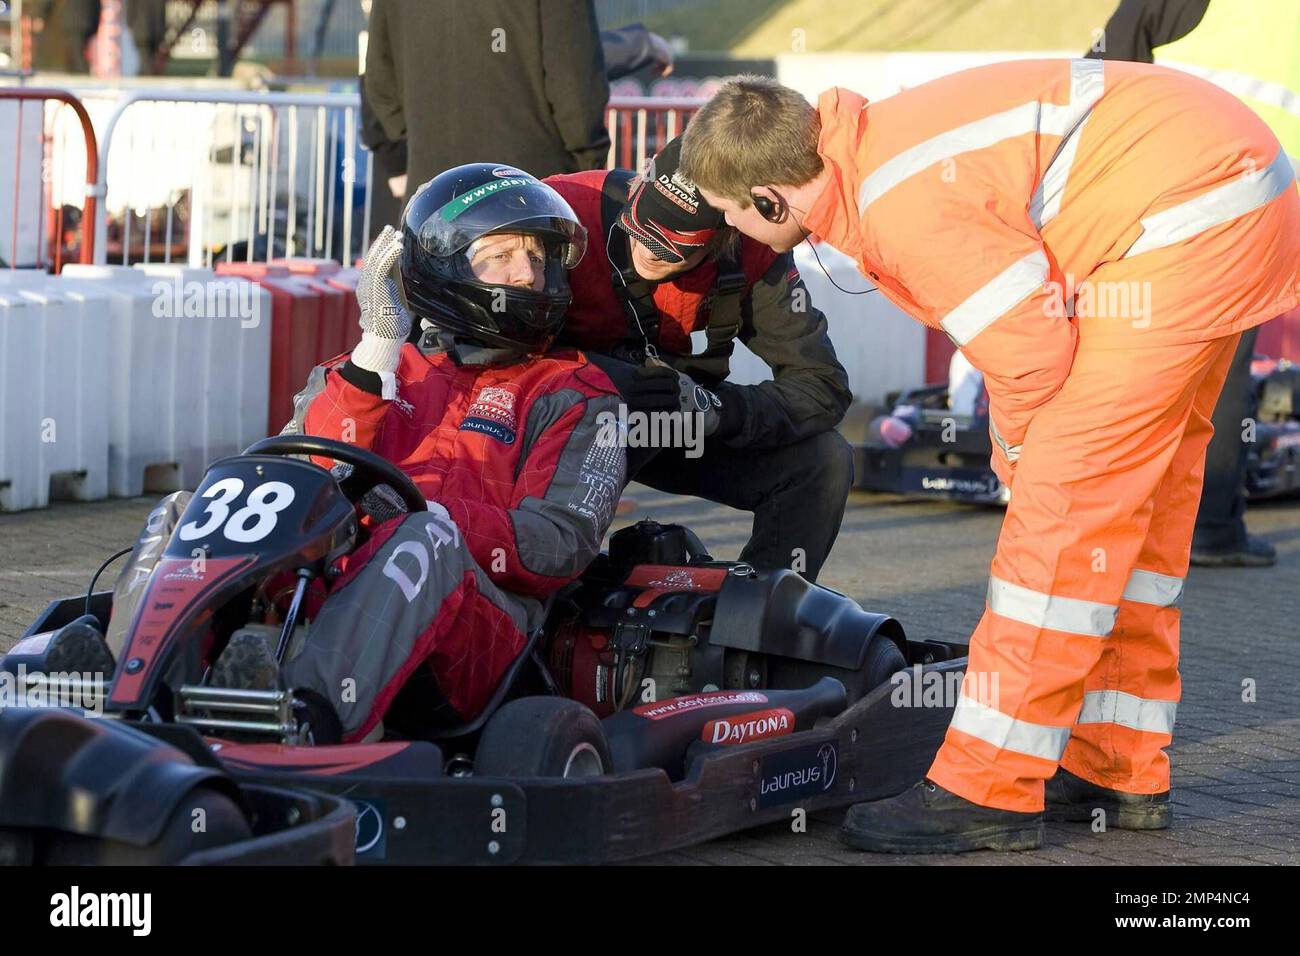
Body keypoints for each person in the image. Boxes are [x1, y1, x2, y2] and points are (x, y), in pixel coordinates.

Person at [680, 63, 1300, 852]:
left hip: (1183, 218)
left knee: (1061, 521)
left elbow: (1032, 353)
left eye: (736, 216)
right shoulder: (875, 154)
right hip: (1223, 193)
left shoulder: (900, 202)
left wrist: (1018, 456)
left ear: (772, 196)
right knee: (1134, 516)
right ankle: (1116, 764)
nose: (737, 235)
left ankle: (989, 790)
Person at [109, 167, 626, 744]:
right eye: (501, 256)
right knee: (194, 507)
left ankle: (306, 721)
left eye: (539, 257)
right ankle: (129, 693)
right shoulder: (373, 371)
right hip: (321, 587)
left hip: (475, 641)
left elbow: (560, 546)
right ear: (445, 266)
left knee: (425, 540)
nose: (529, 275)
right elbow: (296, 480)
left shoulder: (577, 394)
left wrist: (428, 516)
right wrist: (378, 343)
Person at [545, 136, 854, 581]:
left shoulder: (754, 250)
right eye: (641, 227)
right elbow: (489, 346)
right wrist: (606, 381)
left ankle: (756, 619)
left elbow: (823, 386)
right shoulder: (562, 211)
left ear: (726, 233)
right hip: (562, 419)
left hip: (675, 423)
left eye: (673, 245)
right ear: (640, 185)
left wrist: (717, 411)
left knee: (825, 459)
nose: (648, 250)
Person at [1090, 0, 1299, 568]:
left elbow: (1095, 78)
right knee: (1224, 376)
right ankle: (1209, 527)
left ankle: (1117, 521)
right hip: (1264, 206)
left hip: (1169, 202)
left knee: (1137, 365)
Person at [363, 0, 610, 207]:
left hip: (433, 200)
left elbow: (380, 85)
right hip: (529, 198)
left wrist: (424, 140)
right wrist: (586, 171)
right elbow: (577, 91)